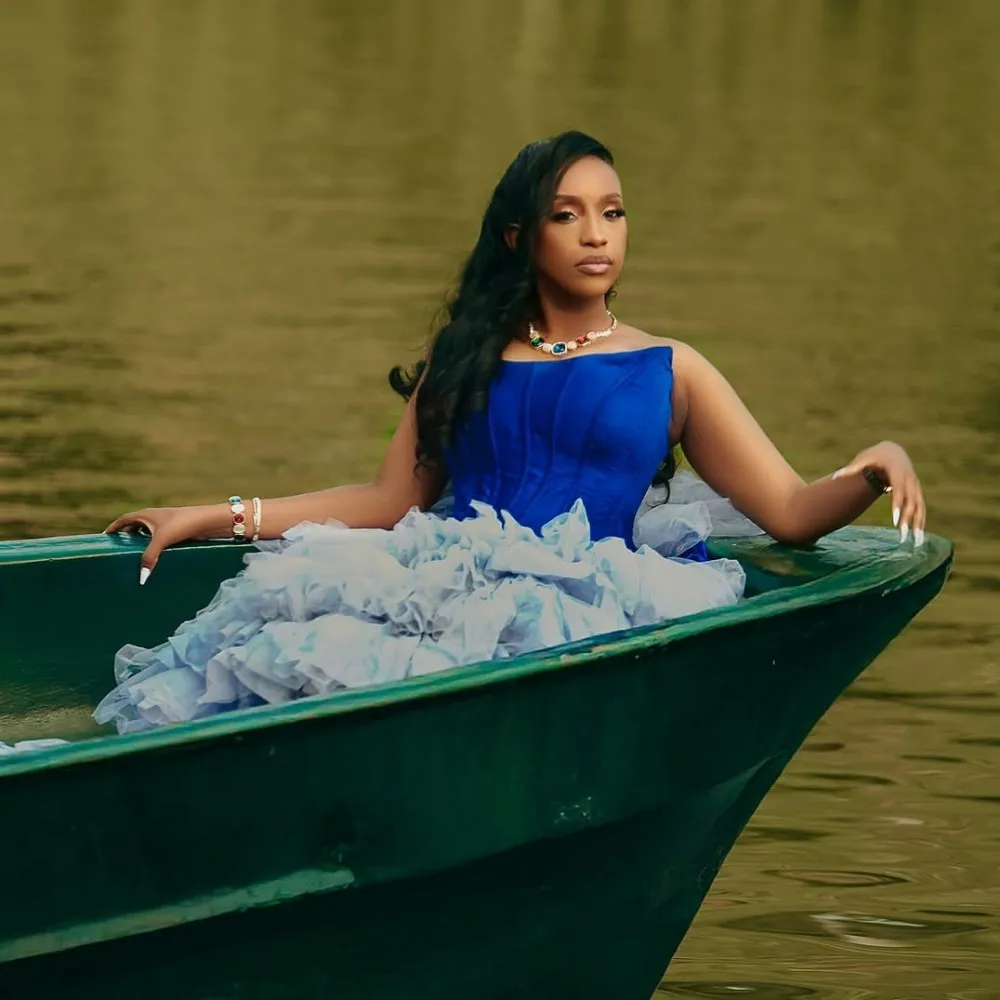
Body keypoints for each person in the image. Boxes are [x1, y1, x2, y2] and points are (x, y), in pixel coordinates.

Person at [95, 131, 926, 734]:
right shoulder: (463, 360)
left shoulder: (671, 370)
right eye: (568, 215)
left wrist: (874, 466)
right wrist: (211, 514)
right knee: (286, 677)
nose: (597, 234)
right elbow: (388, 499)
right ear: (520, 238)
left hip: (594, 610)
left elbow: (786, 509)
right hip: (433, 587)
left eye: (613, 211)